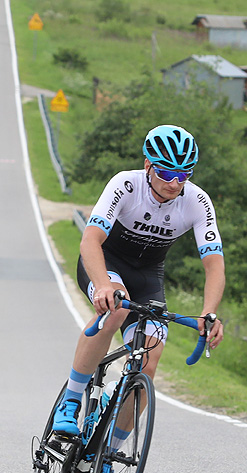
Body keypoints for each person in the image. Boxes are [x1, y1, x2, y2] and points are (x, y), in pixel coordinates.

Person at [50, 124, 225, 440]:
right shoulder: (126, 185)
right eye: (166, 173)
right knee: (115, 307)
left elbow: (214, 264)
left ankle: (106, 460)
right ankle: (71, 400)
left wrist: (209, 312)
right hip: (105, 263)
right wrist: (103, 284)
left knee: (148, 364)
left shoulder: (198, 201)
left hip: (147, 278)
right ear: (148, 165)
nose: (174, 184)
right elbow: (90, 240)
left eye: (183, 175)